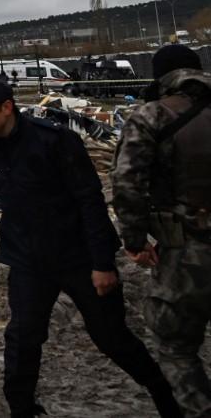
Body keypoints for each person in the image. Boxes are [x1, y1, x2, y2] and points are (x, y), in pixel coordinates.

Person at [0, 76, 179, 417]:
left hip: (78, 256)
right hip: (28, 259)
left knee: (112, 339)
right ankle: (22, 409)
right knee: (23, 337)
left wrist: (103, 264)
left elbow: (90, 202)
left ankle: (165, 396)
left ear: (6, 107)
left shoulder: (55, 141)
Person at [113, 43, 211, 418]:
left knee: (176, 347)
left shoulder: (151, 116)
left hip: (188, 252)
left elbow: (127, 184)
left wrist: (135, 242)